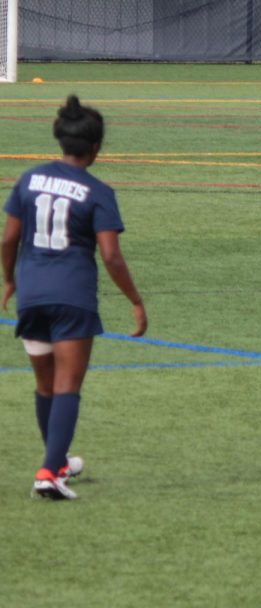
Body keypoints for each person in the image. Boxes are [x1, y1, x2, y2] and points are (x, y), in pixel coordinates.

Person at [2, 95, 147, 500]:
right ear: (96, 148)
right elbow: (111, 255)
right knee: (68, 385)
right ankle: (49, 472)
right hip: (72, 296)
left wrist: (10, 280)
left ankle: (58, 462)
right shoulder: (97, 191)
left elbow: (9, 237)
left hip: (31, 294)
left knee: (45, 386)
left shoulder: (29, 180)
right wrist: (135, 299)